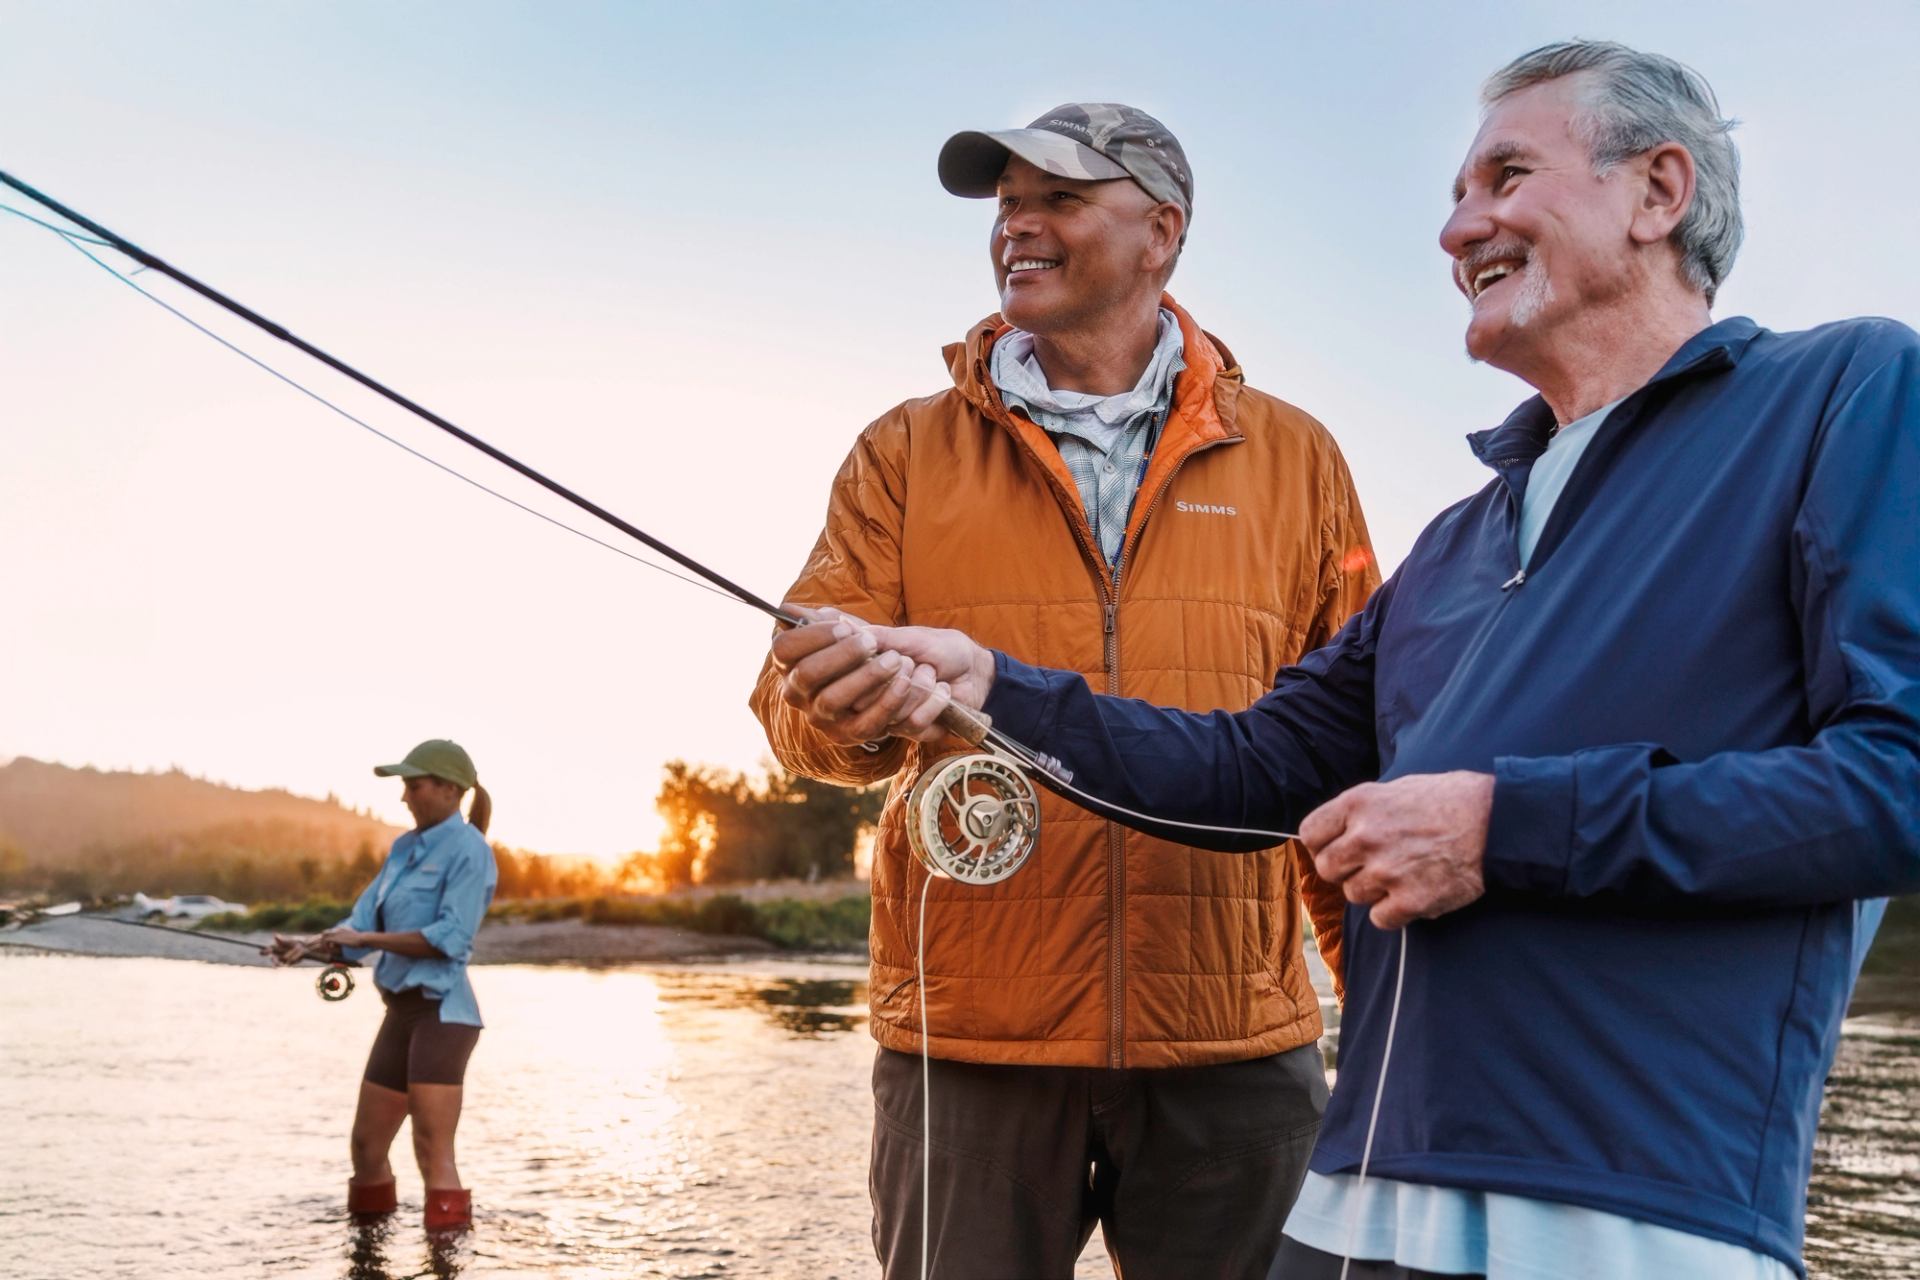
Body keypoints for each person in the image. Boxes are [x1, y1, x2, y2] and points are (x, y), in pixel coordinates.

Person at [773, 41, 1920, 1280]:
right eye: (1454, 193)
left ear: (1660, 193)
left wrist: (1504, 823)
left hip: (1630, 1213)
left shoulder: (1843, 390)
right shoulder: (1460, 538)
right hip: (1357, 1197)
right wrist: (995, 687)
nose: (1454, 226)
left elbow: (1896, 781)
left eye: (1505, 175)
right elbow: (1260, 763)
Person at [751, 103, 1377, 1278]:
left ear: (1162, 233)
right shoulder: (901, 451)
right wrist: (839, 706)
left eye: (1060, 199)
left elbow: (1360, 750)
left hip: (1237, 1050)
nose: (1018, 228)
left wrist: (1386, 1007)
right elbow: (790, 713)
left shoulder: (1304, 459)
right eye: (1006, 206)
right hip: (968, 1044)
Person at [268, 738, 499, 1234]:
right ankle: (368, 1257)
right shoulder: (403, 848)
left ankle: (447, 1260)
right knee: (366, 1146)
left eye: (413, 786)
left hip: (443, 1015)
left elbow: (450, 941)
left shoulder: (471, 851)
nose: (404, 797)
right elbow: (358, 927)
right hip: (400, 1012)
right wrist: (306, 946)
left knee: (431, 1150)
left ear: (449, 789)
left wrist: (367, 938)